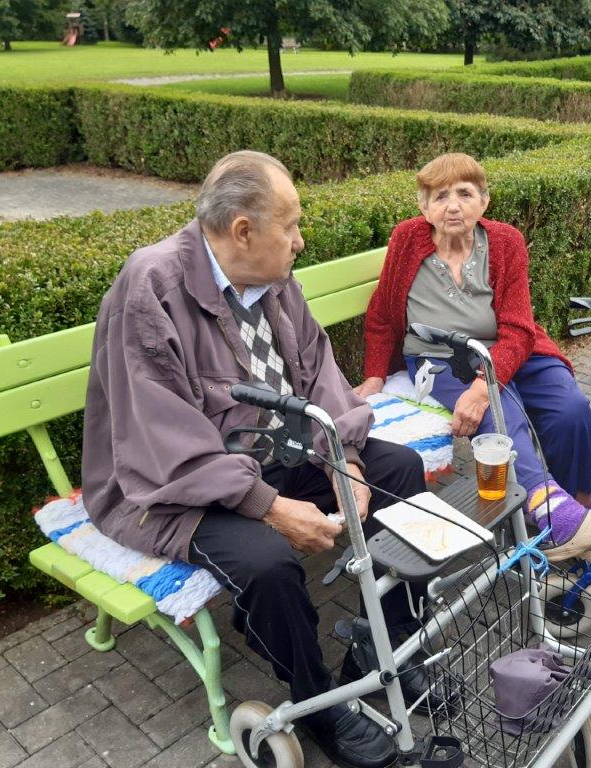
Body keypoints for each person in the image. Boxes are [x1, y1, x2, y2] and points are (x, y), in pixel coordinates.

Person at [82, 150, 429, 768]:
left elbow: (319, 372)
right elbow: (161, 438)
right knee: (268, 562)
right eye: (290, 225)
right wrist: (269, 507)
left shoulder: (273, 279)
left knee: (399, 471)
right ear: (243, 230)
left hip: (274, 451)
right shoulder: (151, 285)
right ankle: (316, 700)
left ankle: (382, 650)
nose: (300, 240)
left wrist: (345, 459)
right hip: (173, 486)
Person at [355, 153, 591, 567]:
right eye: (440, 196)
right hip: (443, 358)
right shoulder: (407, 239)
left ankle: (582, 514)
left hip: (514, 347)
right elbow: (382, 316)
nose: (453, 206)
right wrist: (374, 377)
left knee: (570, 410)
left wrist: (482, 387)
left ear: (484, 201)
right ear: (424, 207)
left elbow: (517, 328)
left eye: (465, 194)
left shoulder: (505, 241)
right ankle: (556, 516)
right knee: (502, 414)